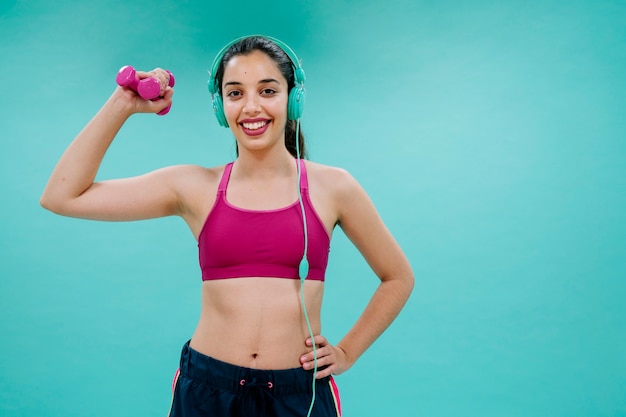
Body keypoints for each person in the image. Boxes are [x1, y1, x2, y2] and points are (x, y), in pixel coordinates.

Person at [40, 35, 414, 417]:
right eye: (235, 93)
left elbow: (398, 277)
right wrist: (123, 103)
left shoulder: (334, 187)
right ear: (220, 107)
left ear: (293, 97)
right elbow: (62, 196)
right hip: (207, 390)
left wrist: (348, 351)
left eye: (267, 90)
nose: (251, 107)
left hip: (298, 394)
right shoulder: (193, 187)